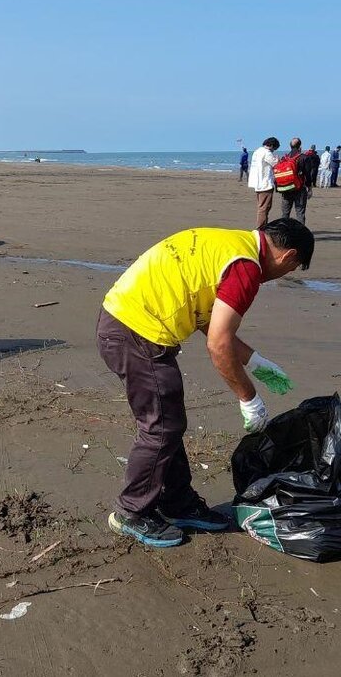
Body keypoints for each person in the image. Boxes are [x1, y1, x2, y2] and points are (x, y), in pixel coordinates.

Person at [97, 218, 315, 547]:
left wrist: (255, 361)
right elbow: (218, 343)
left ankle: (177, 502)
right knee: (161, 427)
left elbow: (210, 321)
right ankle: (131, 512)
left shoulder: (231, 245)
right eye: (293, 268)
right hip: (135, 331)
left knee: (168, 423)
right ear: (290, 257)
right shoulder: (246, 268)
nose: (285, 274)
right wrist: (249, 399)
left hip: (125, 321)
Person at [279, 137, 312, 225]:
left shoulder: (284, 158)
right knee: (300, 213)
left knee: (285, 213)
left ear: (290, 146)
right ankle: (300, 235)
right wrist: (310, 188)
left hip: (286, 188)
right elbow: (308, 174)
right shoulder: (304, 157)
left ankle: (284, 232)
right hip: (299, 188)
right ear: (300, 146)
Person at [248, 137, 279, 227]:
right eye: (274, 148)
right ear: (272, 146)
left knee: (263, 206)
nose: (274, 150)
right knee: (264, 207)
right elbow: (275, 164)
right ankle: (260, 227)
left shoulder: (257, 151)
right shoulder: (267, 153)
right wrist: (277, 159)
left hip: (257, 182)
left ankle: (263, 225)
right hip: (265, 183)